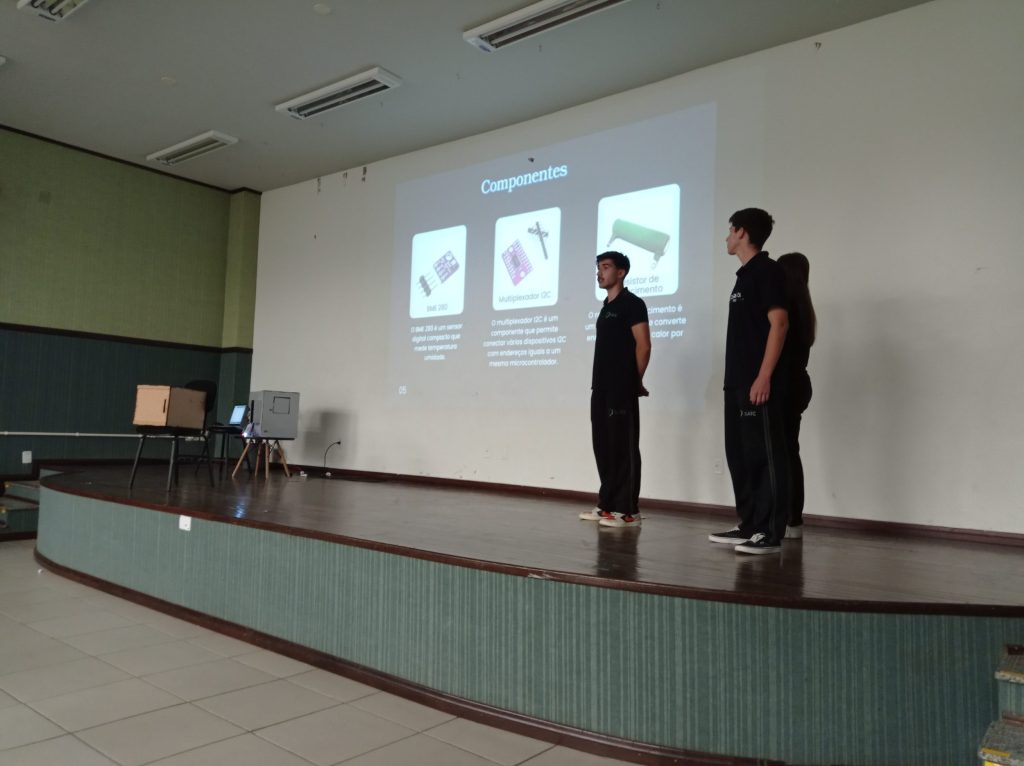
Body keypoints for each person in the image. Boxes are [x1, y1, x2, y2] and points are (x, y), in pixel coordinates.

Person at [709, 208, 791, 554]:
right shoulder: (743, 276)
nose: (727, 238)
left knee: (763, 456)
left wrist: (764, 376)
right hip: (736, 382)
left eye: (730, 231)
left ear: (742, 232)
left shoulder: (767, 271)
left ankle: (770, 532)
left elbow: (780, 323)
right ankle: (749, 524)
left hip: (757, 382)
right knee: (740, 456)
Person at [579, 251, 651, 528]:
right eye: (598, 267)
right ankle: (607, 505)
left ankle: (628, 511)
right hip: (601, 387)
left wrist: (634, 381)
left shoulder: (632, 304)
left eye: (606, 267)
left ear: (621, 272)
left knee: (623, 448)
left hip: (621, 389)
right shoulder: (605, 307)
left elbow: (644, 345)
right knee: (604, 447)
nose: (600, 272)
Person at [777, 252, 816, 539]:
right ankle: (793, 519)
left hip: (783, 385)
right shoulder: (805, 308)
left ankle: (783, 518)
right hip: (798, 384)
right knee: (790, 451)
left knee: (780, 453)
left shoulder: (784, 311)